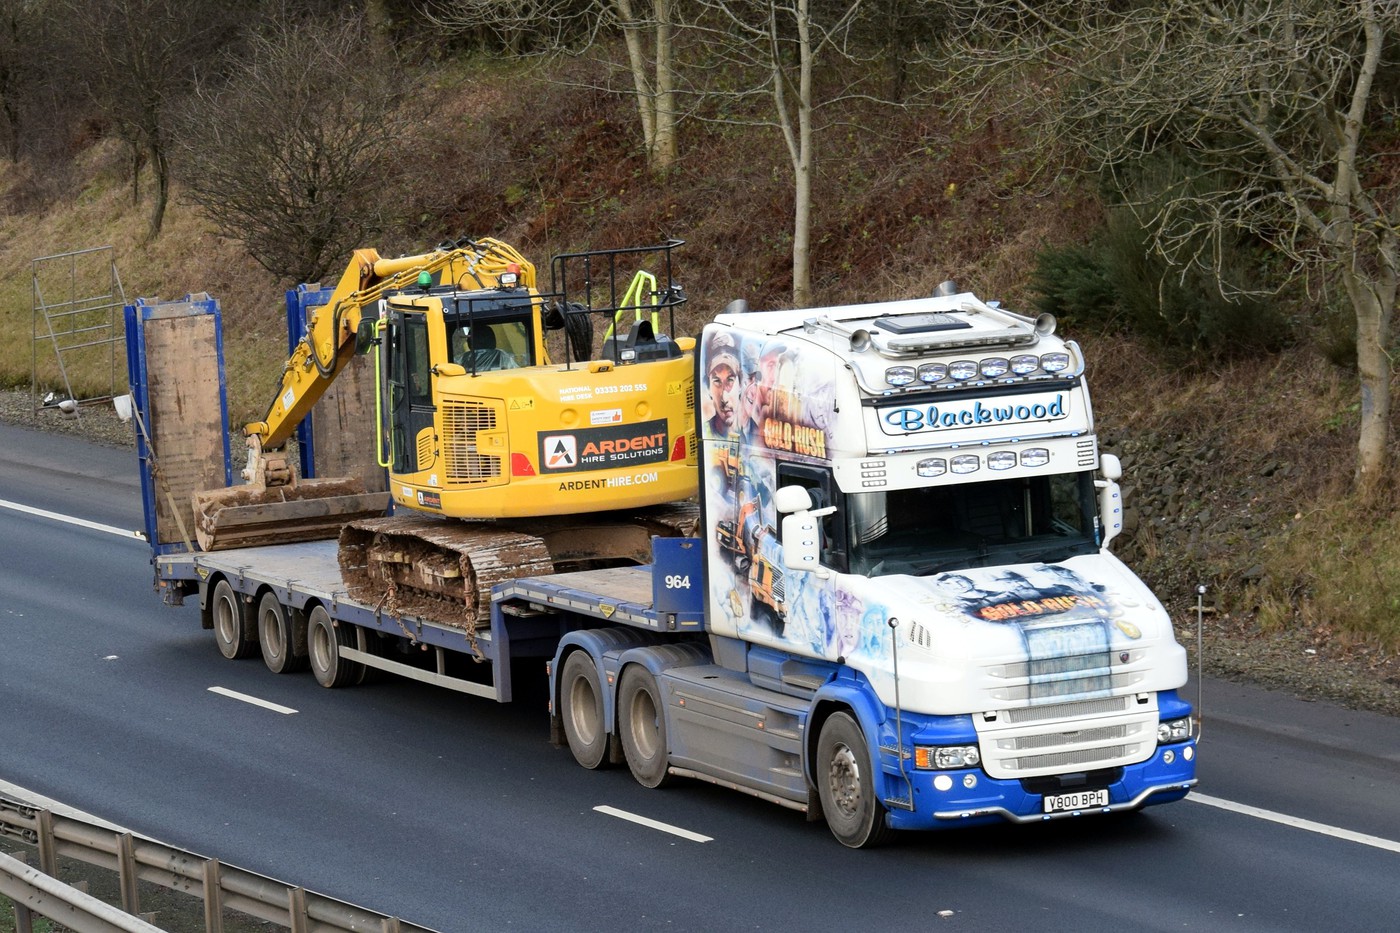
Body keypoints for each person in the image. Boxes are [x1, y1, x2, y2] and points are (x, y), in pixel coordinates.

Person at [704, 331, 740, 438]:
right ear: (708, 389)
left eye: (730, 380)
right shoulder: (703, 434)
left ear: (741, 386)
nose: (724, 398)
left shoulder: (755, 436)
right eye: (717, 381)